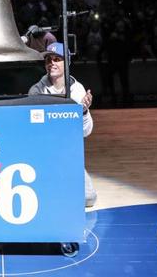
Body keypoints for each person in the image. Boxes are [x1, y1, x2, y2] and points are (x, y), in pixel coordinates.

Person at [28, 42, 97, 207]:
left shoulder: (78, 91)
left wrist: (84, 112)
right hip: (43, 153)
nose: (52, 63)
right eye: (48, 60)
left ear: (67, 63)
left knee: (88, 198)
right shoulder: (36, 90)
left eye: (57, 59)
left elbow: (86, 132)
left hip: (68, 154)